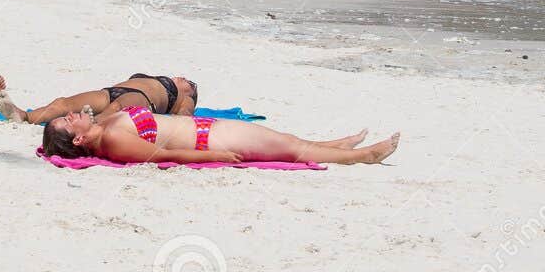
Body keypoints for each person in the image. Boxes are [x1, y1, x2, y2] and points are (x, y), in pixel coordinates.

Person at [41, 109, 400, 166]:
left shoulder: (103, 124)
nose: (73, 115)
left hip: (207, 127)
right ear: (77, 141)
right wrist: (213, 158)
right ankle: (362, 157)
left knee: (286, 139)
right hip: (209, 141)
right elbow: (162, 155)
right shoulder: (114, 142)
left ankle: (337, 145)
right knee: (291, 150)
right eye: (68, 122)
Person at [0, 72, 197, 124]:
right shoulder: (156, 79)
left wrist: (185, 109)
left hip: (142, 99)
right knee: (62, 103)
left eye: (190, 84)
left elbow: (185, 119)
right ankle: (24, 116)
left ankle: (93, 124)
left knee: (117, 108)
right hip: (110, 92)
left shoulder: (184, 99)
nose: (185, 79)